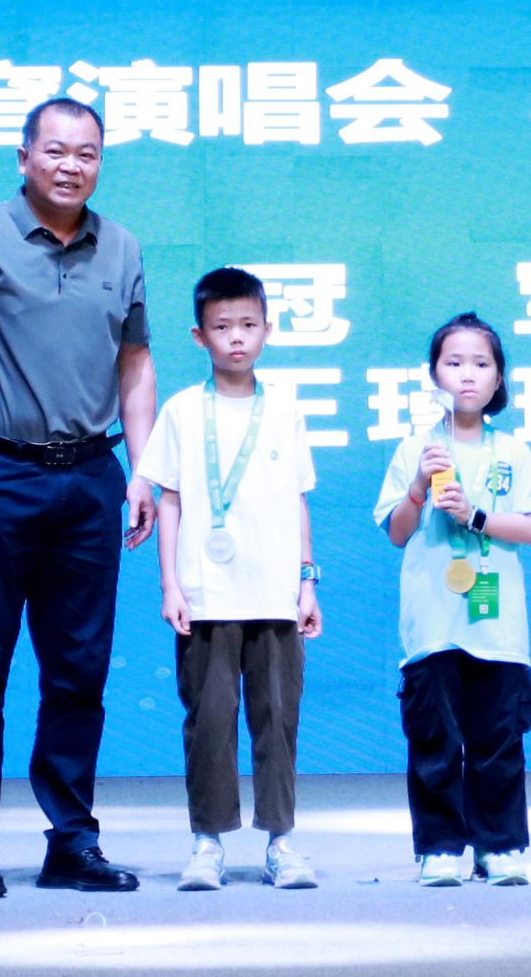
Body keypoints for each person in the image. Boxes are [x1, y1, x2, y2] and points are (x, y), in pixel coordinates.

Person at [0, 97, 157, 898]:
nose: (70, 166)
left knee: (78, 674)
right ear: (24, 157)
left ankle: (72, 842)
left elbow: (135, 364)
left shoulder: (121, 247)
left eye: (87, 153)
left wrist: (145, 469)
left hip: (89, 479)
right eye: (55, 150)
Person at [134, 266, 324, 891]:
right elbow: (169, 501)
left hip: (275, 596)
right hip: (205, 596)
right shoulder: (183, 411)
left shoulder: (286, 410)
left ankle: (281, 843)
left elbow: (298, 500)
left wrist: (307, 583)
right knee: (210, 721)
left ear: (268, 329)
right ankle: (207, 843)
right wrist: (170, 585)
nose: (236, 337)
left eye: (248, 325)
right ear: (199, 336)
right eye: (221, 327)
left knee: (278, 720)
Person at [373, 313, 531, 887]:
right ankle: (440, 847)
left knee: (498, 737)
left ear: (499, 378)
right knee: (434, 737)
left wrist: (475, 515)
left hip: (496, 622)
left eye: (481, 363)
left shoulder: (513, 451)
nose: (468, 375)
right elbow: (397, 532)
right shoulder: (417, 448)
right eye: (454, 363)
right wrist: (417, 487)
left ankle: (498, 845)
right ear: (434, 375)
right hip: (433, 621)